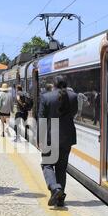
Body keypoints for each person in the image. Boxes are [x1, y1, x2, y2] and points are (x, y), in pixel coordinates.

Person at [39, 75, 78, 208]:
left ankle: (55, 189)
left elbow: (42, 119)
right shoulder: (73, 96)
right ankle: (60, 200)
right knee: (61, 168)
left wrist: (40, 139)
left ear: (53, 85)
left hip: (51, 135)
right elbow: (74, 113)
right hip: (67, 136)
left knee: (47, 165)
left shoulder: (46, 97)